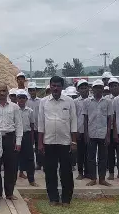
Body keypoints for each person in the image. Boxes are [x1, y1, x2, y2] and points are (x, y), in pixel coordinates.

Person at [38, 76, 77, 206]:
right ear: (50, 86)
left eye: (58, 86)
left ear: (62, 87)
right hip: (48, 142)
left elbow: (74, 122)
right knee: (50, 171)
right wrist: (40, 142)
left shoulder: (69, 101)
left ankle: (66, 199)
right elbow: (40, 123)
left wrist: (74, 141)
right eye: (53, 85)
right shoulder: (43, 102)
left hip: (65, 142)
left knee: (66, 171)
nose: (55, 88)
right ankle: (53, 198)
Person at [0, 84, 23, 200]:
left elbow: (19, 125)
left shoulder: (14, 107)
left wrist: (18, 142)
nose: (2, 93)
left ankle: (9, 193)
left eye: (4, 91)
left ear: (7, 92)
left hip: (10, 138)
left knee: (11, 167)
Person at [84, 80, 113, 187]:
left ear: (103, 89)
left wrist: (108, 135)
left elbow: (109, 119)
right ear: (92, 89)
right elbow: (85, 119)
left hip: (103, 133)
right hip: (91, 133)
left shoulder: (108, 102)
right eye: (96, 87)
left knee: (103, 158)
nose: (98, 90)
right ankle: (93, 178)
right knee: (91, 157)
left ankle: (102, 179)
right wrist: (86, 134)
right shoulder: (87, 101)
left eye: (100, 87)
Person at [16, 89, 38, 186]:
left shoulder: (30, 111)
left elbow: (32, 125)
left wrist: (32, 138)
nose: (21, 100)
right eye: (20, 98)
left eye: (23, 98)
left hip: (27, 135)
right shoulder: (14, 110)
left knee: (30, 158)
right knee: (15, 158)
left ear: (26, 99)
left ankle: (31, 180)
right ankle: (13, 181)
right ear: (17, 99)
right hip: (16, 136)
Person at [74, 79, 90, 180]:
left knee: (89, 153)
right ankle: (80, 172)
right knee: (80, 153)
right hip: (80, 131)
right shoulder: (75, 102)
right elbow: (74, 117)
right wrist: (76, 131)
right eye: (81, 88)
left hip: (90, 131)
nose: (83, 90)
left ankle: (88, 172)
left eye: (85, 88)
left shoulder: (92, 100)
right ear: (78, 90)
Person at [106, 77, 119, 180]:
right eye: (111, 86)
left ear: (118, 86)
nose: (113, 88)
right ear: (109, 87)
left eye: (115, 85)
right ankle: (111, 172)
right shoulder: (106, 99)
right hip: (110, 129)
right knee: (110, 152)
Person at [27, 82, 42, 170]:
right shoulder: (26, 101)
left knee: (39, 146)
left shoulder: (40, 101)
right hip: (30, 128)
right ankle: (31, 164)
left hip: (39, 127)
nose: (32, 92)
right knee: (30, 147)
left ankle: (40, 164)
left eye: (33, 90)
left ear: (36, 91)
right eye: (30, 90)